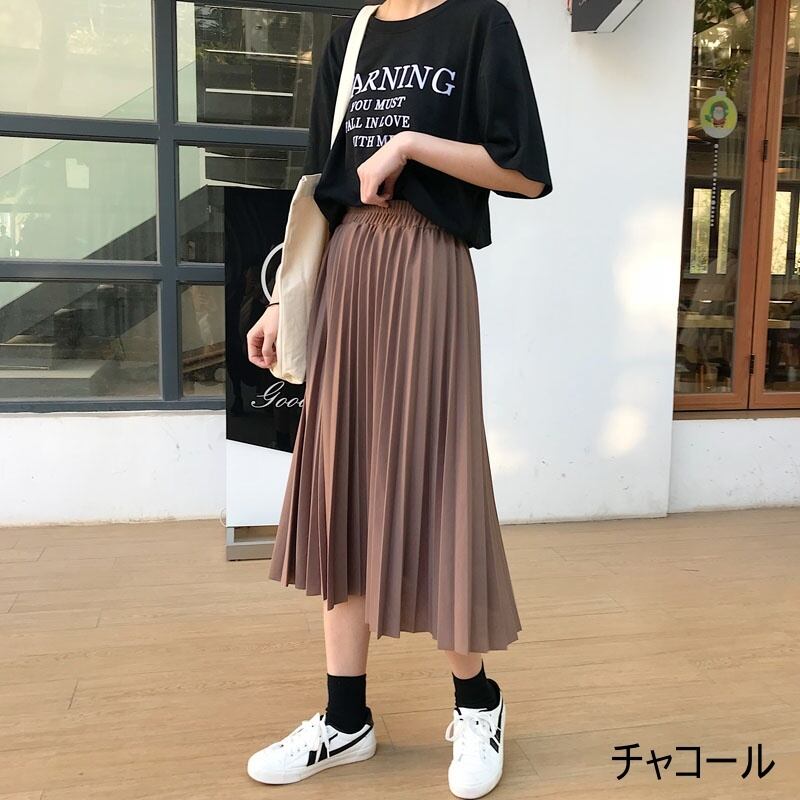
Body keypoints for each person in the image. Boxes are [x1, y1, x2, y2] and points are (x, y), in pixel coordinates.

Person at [245, 0, 552, 796]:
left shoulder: (478, 22)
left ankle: (478, 703)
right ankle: (345, 718)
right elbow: (320, 184)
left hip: (427, 264)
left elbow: (524, 169)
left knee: (437, 475)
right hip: (347, 269)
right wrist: (282, 299)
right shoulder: (349, 37)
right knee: (342, 478)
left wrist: (411, 144)